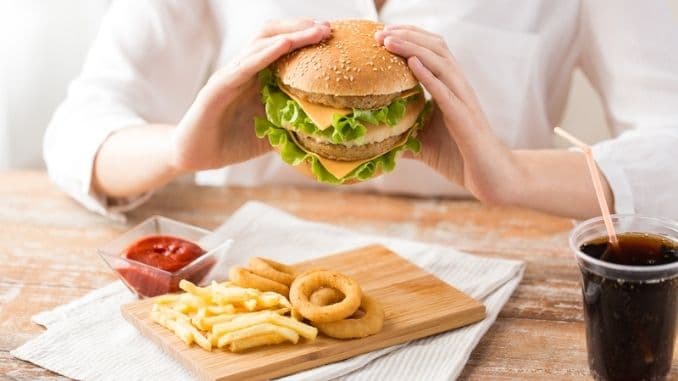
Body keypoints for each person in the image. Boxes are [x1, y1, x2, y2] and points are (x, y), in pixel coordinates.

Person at [44, 0, 678, 220]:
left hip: (498, 291)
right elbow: (79, 127)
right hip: (243, 271)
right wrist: (178, 150)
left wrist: (517, 174)